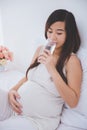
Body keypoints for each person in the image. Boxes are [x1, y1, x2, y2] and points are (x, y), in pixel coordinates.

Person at [0, 9, 82, 130]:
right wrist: (12, 90)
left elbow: (73, 101)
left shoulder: (71, 60)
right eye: (50, 31)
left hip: (37, 120)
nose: (52, 37)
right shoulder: (41, 49)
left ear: (69, 34)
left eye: (59, 33)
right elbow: (28, 76)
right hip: (14, 106)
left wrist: (51, 68)